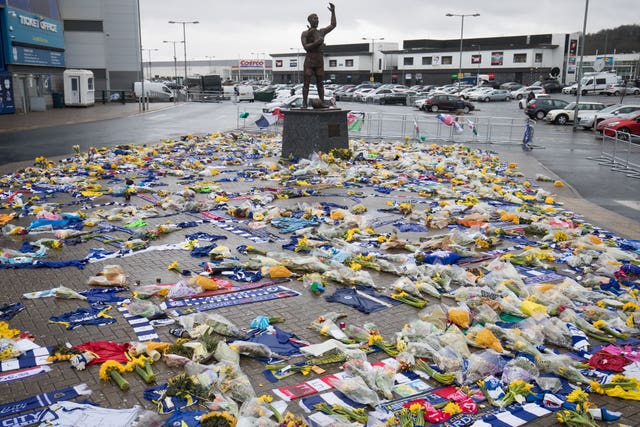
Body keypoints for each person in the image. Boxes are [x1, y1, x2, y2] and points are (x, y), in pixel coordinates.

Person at [301, 3, 336, 109]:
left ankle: (322, 102)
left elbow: (333, 25)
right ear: (310, 21)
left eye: (318, 18)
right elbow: (306, 47)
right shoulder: (305, 33)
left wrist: (333, 12)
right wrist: (317, 42)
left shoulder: (321, 32)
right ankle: (304, 103)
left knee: (320, 83)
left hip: (319, 60)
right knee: (306, 83)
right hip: (309, 60)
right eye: (315, 18)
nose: (317, 20)